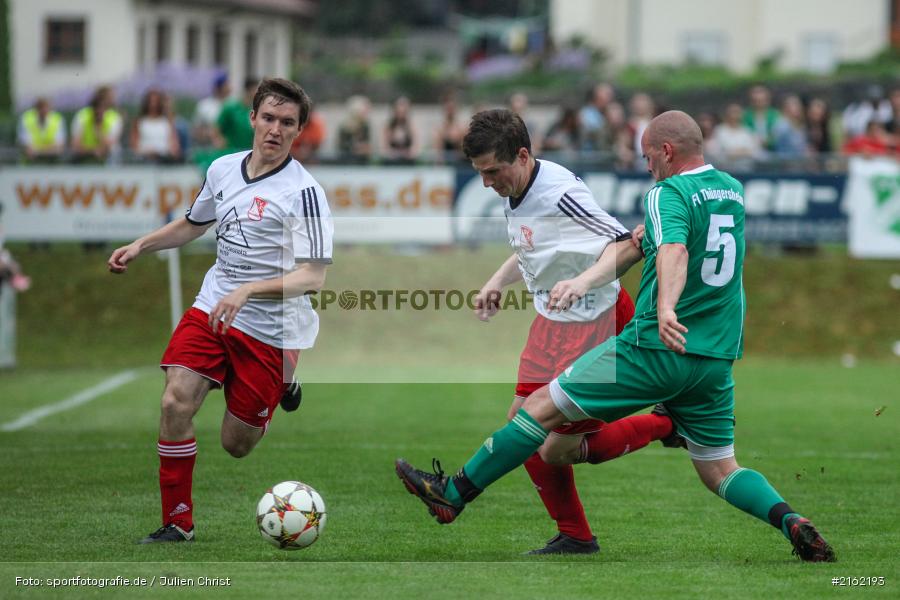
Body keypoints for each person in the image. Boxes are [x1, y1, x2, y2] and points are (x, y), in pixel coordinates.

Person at [396, 110, 836, 563]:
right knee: (720, 470)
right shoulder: (733, 191)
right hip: (714, 357)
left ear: (666, 152)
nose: (645, 166)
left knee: (535, 416)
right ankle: (792, 520)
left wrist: (659, 305)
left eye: (648, 156)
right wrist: (498, 282)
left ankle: (454, 494)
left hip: (653, 345)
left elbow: (666, 248)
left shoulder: (665, 192)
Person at [107, 78, 333, 544]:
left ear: (298, 131)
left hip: (270, 327)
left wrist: (250, 291)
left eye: (287, 122)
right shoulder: (223, 169)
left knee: (237, 444)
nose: (275, 129)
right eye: (268, 118)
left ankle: (285, 376)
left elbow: (314, 278)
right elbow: (193, 224)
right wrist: (140, 245)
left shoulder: (305, 192)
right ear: (252, 118)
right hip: (214, 306)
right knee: (174, 401)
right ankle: (178, 522)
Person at [453, 109, 679, 555]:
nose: (487, 183)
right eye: (480, 173)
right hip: (555, 326)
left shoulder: (560, 193)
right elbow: (533, 249)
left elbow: (627, 242)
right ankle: (575, 536)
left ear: (521, 155)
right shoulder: (515, 186)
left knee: (550, 446)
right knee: (527, 431)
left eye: (493, 172)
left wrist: (581, 283)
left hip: (597, 323)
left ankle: (667, 422)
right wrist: (497, 282)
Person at [71, 85, 124, 163]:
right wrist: (92, 151)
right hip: (84, 159)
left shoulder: (114, 118)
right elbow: (75, 145)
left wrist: (98, 131)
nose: (99, 112)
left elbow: (111, 144)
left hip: (108, 159)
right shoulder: (82, 116)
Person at [130, 88, 182, 163]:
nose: (153, 105)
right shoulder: (139, 121)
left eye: (156, 102)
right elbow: (134, 144)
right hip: (143, 160)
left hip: (164, 160)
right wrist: (146, 152)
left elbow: (174, 144)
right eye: (151, 101)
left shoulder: (167, 121)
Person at [17, 97, 66, 162]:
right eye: (41, 108)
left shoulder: (57, 119)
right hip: (30, 162)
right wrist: (50, 149)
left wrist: (38, 150)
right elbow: (27, 148)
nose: (44, 111)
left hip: (52, 162)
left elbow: (59, 148)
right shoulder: (26, 119)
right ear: (35, 110)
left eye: (46, 108)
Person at [217, 78, 258, 152]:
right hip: (231, 152)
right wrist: (221, 143)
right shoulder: (231, 107)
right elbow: (216, 128)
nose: (258, 93)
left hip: (248, 153)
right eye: (256, 90)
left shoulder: (256, 110)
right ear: (248, 90)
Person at [193, 72, 230, 148]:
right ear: (218, 88)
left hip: (231, 150)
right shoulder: (204, 105)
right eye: (226, 85)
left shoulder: (233, 105)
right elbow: (196, 131)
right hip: (209, 149)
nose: (229, 87)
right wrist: (211, 135)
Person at [337, 95, 373, 164]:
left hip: (363, 161)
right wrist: (355, 147)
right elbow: (341, 146)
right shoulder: (344, 126)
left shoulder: (365, 125)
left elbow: (368, 145)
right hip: (346, 160)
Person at [382, 96, 417, 164]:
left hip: (407, 160)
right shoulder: (388, 126)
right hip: (392, 160)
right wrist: (393, 153)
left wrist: (408, 152)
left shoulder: (411, 126)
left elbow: (415, 147)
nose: (401, 110)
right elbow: (385, 147)